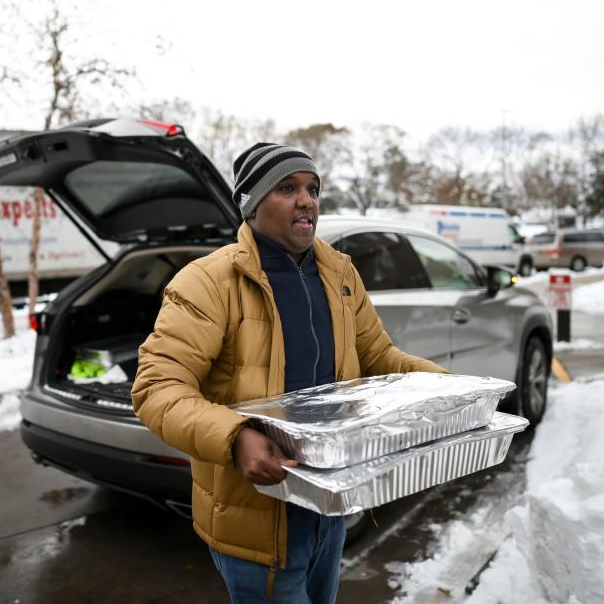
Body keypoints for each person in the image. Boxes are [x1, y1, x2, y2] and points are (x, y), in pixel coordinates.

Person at [131, 142, 447, 603]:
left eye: (313, 188)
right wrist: (236, 436)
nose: (307, 201)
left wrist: (443, 382)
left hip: (329, 505)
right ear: (252, 205)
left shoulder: (339, 274)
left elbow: (378, 356)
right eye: (287, 188)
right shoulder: (208, 282)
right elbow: (157, 389)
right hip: (257, 522)